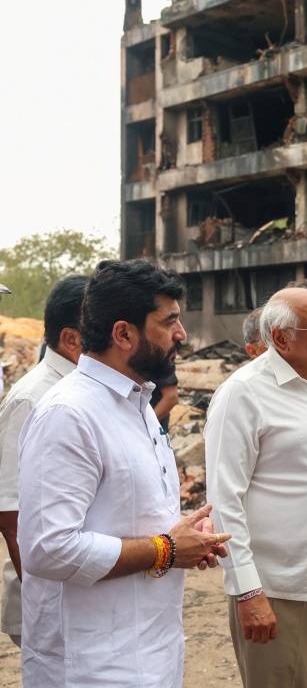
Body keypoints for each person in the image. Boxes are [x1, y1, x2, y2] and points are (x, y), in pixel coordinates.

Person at [17, 259, 229, 686]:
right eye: (169, 321)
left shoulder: (138, 404)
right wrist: (167, 548)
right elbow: (47, 548)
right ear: (124, 333)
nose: (182, 334)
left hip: (151, 651)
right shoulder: (69, 414)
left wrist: (185, 537)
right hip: (90, 666)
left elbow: (131, 513)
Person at [206, 287, 307, 688]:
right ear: (280, 338)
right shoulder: (242, 393)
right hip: (280, 591)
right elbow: (225, 500)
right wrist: (247, 592)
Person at [0, 275, 87, 648]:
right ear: (71, 339)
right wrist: (47, 606)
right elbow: (12, 514)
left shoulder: (89, 389)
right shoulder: (33, 398)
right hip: (50, 608)